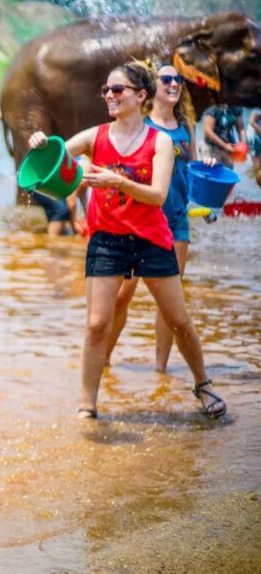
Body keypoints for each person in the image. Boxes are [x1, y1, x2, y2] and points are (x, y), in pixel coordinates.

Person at [27, 61, 226, 420]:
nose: (109, 96)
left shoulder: (160, 142)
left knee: (178, 320)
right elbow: (54, 160)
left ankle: (203, 384)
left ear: (140, 95)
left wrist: (118, 182)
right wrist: (40, 143)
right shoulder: (96, 136)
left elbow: (158, 196)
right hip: (107, 241)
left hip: (151, 240)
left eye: (117, 90)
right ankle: (88, 403)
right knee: (96, 323)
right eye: (106, 90)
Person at [106, 62, 215, 372]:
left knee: (170, 303)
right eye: (166, 79)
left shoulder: (187, 128)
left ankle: (160, 370)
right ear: (152, 89)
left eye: (178, 80)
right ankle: (104, 359)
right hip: (140, 221)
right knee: (122, 297)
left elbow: (191, 174)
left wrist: (205, 164)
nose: (174, 84)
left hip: (177, 222)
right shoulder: (141, 127)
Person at [200, 103, 245, 167]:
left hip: (228, 147)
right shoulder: (213, 107)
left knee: (228, 173)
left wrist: (242, 144)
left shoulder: (236, 106)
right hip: (211, 147)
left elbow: (241, 129)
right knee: (212, 171)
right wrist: (225, 146)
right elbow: (208, 131)